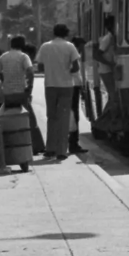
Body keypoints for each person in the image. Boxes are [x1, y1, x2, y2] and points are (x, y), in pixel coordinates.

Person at [36, 25, 81, 160]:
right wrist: (66, 72)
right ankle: (62, 151)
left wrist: (51, 71)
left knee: (52, 117)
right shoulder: (70, 46)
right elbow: (76, 67)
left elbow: (40, 66)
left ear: (54, 33)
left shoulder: (45, 46)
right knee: (64, 118)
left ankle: (50, 149)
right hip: (66, 86)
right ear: (66, 33)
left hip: (50, 85)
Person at [93, 15, 118, 114]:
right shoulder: (107, 39)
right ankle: (105, 120)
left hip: (111, 70)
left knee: (114, 97)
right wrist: (110, 64)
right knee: (113, 96)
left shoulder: (115, 37)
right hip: (106, 71)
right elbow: (97, 55)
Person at [69, 37, 89, 155]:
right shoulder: (73, 53)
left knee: (72, 116)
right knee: (74, 116)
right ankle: (73, 144)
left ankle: (71, 142)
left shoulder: (72, 53)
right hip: (73, 86)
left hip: (73, 85)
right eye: (82, 46)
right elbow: (75, 70)